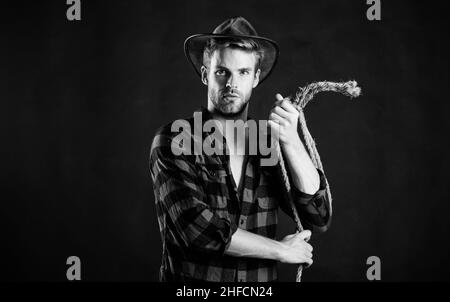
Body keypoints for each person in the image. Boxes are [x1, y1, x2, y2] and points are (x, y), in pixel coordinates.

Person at [149, 16, 331, 282]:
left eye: (243, 72)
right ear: (205, 74)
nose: (231, 84)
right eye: (222, 71)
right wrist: (281, 250)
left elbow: (318, 215)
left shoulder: (265, 145)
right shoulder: (175, 140)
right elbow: (198, 229)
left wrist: (291, 141)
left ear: (256, 77)